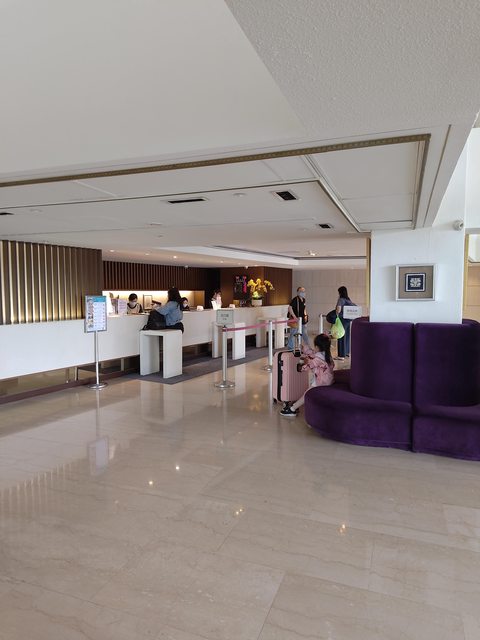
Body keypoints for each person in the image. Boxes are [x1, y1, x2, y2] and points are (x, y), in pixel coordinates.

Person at [280, 334, 335, 417]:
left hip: (321, 381)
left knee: (307, 393)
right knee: (310, 392)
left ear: (317, 347)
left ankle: (292, 409)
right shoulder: (326, 355)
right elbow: (312, 353)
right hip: (328, 379)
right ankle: (294, 406)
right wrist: (304, 348)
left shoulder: (318, 358)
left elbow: (309, 365)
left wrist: (300, 367)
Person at [335, 285, 354, 360]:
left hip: (342, 320)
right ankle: (346, 352)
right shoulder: (348, 300)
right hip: (348, 320)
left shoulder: (341, 299)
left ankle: (341, 355)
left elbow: (338, 310)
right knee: (347, 336)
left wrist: (336, 312)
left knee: (341, 336)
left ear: (340, 292)